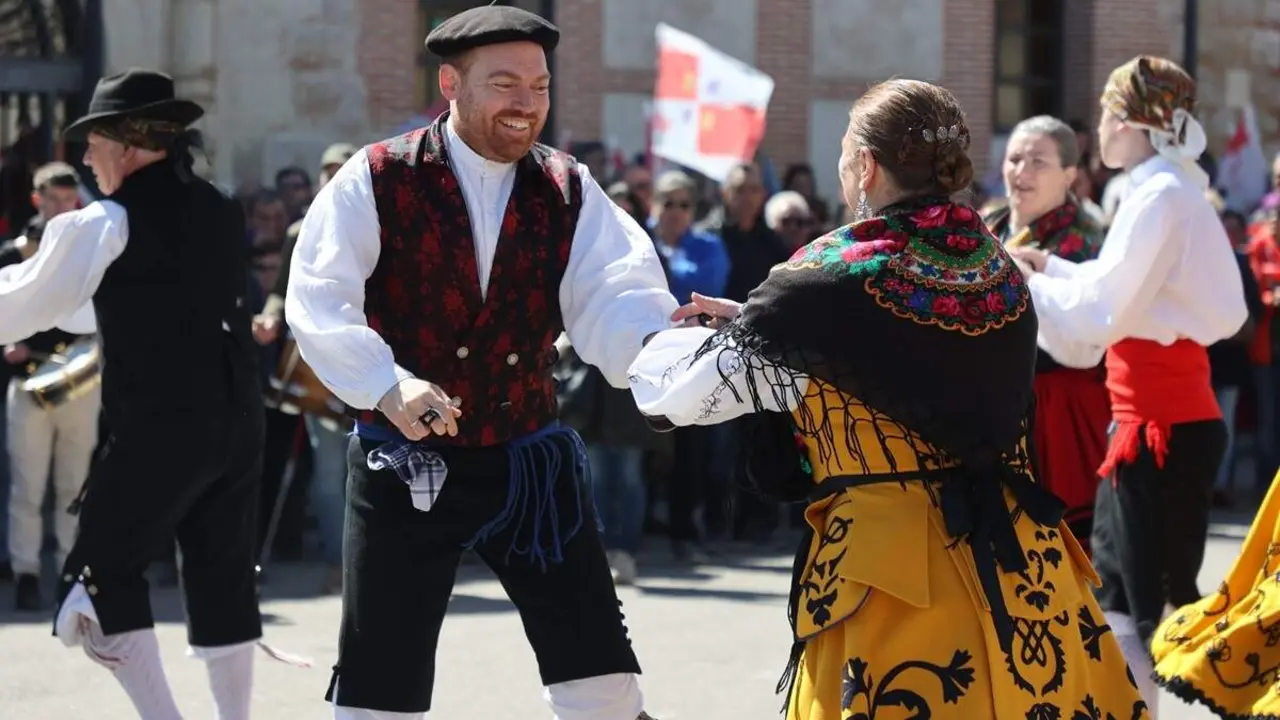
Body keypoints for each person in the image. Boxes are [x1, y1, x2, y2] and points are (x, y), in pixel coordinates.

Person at [628, 78, 1148, 719]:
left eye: (846, 156)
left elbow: (677, 396)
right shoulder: (995, 262)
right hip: (1027, 579)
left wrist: (646, 334)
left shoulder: (830, 275)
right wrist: (761, 327)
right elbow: (904, 355)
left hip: (895, 582)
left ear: (867, 166)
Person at [284, 6, 674, 719]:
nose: (527, 104)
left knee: (602, 683)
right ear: (451, 84)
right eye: (505, 83)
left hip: (530, 461)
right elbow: (319, 299)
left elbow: (617, 294)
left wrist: (661, 355)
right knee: (377, 694)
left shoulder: (569, 187)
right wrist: (387, 383)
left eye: (540, 85)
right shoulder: (376, 177)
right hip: (406, 464)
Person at [0, 69, 271, 718]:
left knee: (97, 582)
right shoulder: (220, 207)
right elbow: (108, 308)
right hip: (238, 420)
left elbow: (25, 306)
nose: (85, 158)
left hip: (163, 426)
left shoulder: (104, 223)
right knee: (221, 578)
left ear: (126, 144)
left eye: (91, 142)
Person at [1008, 56, 1248, 709]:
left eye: (1110, 115)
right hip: (1151, 427)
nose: (1102, 129)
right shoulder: (1163, 190)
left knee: (1143, 607)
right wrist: (1049, 267)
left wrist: (1029, 282)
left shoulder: (1161, 194)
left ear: (1134, 121)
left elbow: (1101, 313)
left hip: (1159, 432)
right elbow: (1107, 296)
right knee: (1126, 595)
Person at [983, 115, 1111, 554]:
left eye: (1038, 161)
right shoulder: (987, 226)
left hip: (1061, 404)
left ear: (1070, 175)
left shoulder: (1084, 241)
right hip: (994, 404)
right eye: (1015, 159)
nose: (1021, 171)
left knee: (1062, 546)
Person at [4, 161, 101, 612]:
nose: (63, 206)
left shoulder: (88, 250)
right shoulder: (13, 253)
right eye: (54, 198)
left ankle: (69, 570)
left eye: (69, 198)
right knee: (27, 484)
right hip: (28, 384)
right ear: (37, 200)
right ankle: (25, 570)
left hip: (80, 381)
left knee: (74, 484)